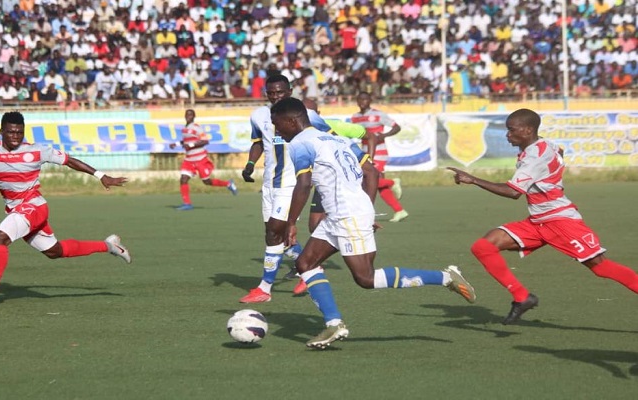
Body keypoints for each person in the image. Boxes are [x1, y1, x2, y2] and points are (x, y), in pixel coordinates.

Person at [273, 98, 476, 349]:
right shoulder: (337, 139)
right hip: (343, 213)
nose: (276, 130)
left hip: (347, 215)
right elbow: (372, 172)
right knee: (305, 262)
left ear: (292, 120)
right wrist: (366, 209)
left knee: (365, 278)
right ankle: (334, 324)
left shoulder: (300, 143)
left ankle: (446, 277)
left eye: (277, 124)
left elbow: (303, 185)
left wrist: (290, 223)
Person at [448, 108, 638, 325]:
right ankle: (522, 297)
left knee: (601, 267)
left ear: (528, 130)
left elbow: (513, 192)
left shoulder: (534, 157)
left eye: (511, 130)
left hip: (561, 221)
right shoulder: (544, 145)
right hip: (538, 222)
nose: (507, 135)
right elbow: (560, 151)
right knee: (483, 246)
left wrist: (473, 179)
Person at [0, 111, 132, 309]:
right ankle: (110, 246)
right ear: (1, 131)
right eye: (11, 132)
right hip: (16, 209)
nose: (16, 136)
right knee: (55, 251)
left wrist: (101, 175)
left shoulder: (37, 150)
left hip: (34, 205)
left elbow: (69, 160)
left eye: (20, 132)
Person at [239, 74, 334, 302]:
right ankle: (311, 268)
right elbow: (258, 143)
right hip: (270, 183)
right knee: (273, 234)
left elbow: (330, 139)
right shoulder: (259, 116)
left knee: (274, 231)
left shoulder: (306, 115)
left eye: (280, 92)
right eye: (271, 93)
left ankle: (264, 288)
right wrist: (250, 164)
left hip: (292, 184)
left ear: (289, 91)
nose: (275, 97)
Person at [302, 98, 376, 234]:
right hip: (323, 181)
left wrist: (370, 160)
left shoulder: (335, 126)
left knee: (336, 223)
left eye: (310, 112)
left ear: (318, 113)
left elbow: (371, 136)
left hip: (344, 181)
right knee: (314, 227)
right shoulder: (301, 133)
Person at [351, 92, 408, 222]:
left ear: (370, 100)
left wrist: (384, 135)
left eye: (365, 99)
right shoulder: (355, 117)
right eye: (360, 99)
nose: (362, 102)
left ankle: (394, 182)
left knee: (370, 181)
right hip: (364, 153)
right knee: (378, 185)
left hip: (379, 152)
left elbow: (396, 127)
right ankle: (400, 211)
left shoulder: (378, 114)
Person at [170, 109, 238, 210]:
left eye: (190, 115)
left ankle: (228, 184)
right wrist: (176, 144)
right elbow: (185, 141)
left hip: (199, 158)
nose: (188, 116)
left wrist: (190, 145)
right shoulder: (184, 129)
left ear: (194, 117)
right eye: (187, 114)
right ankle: (187, 204)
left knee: (206, 181)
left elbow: (205, 141)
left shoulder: (197, 128)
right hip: (189, 159)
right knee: (183, 179)